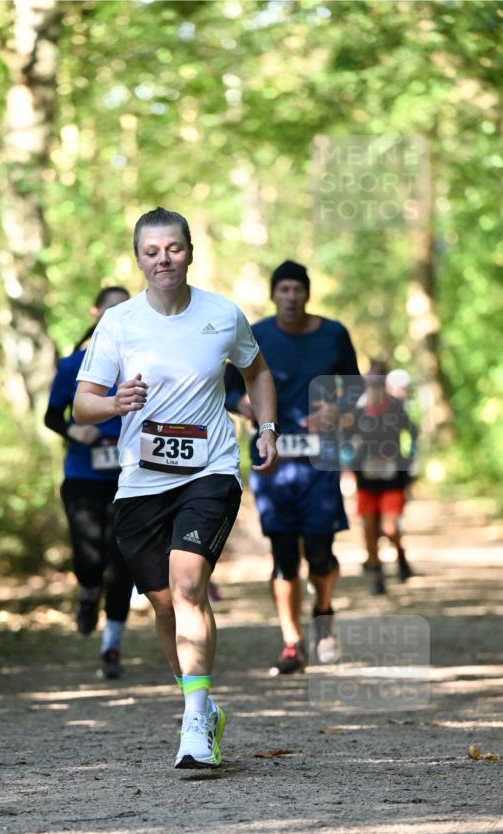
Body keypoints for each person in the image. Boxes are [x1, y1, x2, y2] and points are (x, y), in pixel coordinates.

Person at [73, 207, 278, 769]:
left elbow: (256, 372)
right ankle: (199, 702)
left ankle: (193, 721)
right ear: (138, 259)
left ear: (190, 251)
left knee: (188, 585)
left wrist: (265, 428)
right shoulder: (120, 324)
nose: (164, 259)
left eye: (174, 249)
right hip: (142, 481)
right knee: (164, 605)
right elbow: (81, 402)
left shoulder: (222, 314)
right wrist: (114, 403)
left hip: (210, 471)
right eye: (151, 251)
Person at [225, 260, 362, 676]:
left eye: (296, 290)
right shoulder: (256, 334)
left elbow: (356, 389)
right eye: (283, 290)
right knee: (284, 553)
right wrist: (244, 405)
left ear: (307, 294)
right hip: (273, 459)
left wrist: (335, 410)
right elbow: (230, 388)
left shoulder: (334, 334)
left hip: (320, 460)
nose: (290, 297)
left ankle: (323, 613)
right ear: (273, 295)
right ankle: (291, 642)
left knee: (320, 552)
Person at [44, 286, 134, 679]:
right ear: (95, 313)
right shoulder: (73, 365)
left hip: (132, 477)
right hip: (83, 475)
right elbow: (52, 416)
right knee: (90, 560)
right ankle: (86, 592)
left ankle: (111, 645)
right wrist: (73, 431)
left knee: (122, 562)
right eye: (109, 311)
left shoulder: (143, 361)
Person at [344, 361, 417, 594]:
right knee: (368, 529)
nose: (373, 387)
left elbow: (413, 434)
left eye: (378, 382)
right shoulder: (357, 412)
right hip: (366, 479)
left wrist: (408, 461)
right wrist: (349, 462)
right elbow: (345, 441)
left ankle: (400, 554)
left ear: (384, 384)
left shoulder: (396, 408)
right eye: (370, 382)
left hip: (393, 479)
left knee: (389, 527)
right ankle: (377, 574)